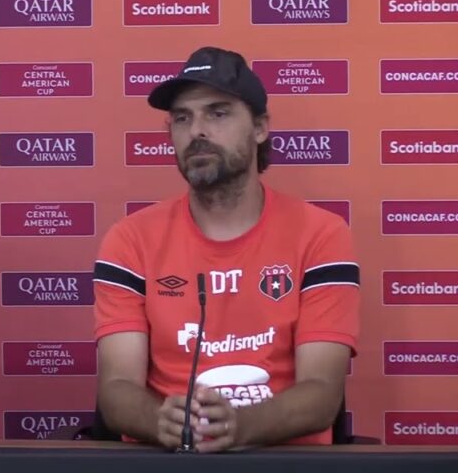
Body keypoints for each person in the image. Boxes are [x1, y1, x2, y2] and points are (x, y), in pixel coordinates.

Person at [92, 46, 360, 452]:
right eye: (183, 118)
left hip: (284, 458)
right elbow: (116, 388)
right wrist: (158, 420)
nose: (197, 130)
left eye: (217, 113)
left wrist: (238, 427)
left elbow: (322, 392)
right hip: (167, 457)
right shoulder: (129, 240)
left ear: (259, 128)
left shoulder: (322, 234)